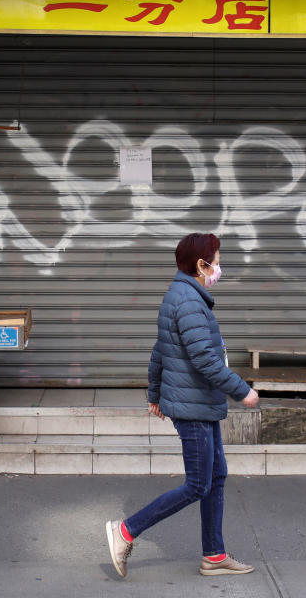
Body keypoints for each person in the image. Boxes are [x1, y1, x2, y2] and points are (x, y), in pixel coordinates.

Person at [105, 233, 260, 578]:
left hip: (199, 403)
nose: (219, 268)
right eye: (216, 261)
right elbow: (205, 359)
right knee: (197, 484)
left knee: (215, 477)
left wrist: (155, 393)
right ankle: (126, 530)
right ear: (200, 265)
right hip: (194, 407)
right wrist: (241, 390)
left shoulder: (183, 295)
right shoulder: (188, 300)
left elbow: (161, 349)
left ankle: (214, 556)